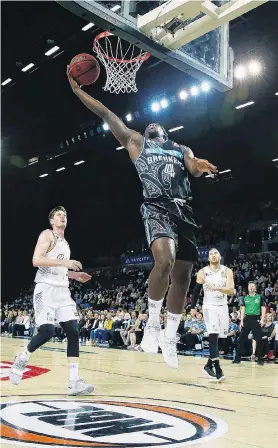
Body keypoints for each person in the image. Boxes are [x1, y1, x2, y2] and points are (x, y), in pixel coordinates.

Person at [67, 69, 217, 369]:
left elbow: (194, 167)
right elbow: (106, 113)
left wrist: (200, 167)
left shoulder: (180, 148)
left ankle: (170, 335)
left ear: (164, 131)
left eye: (155, 124)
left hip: (183, 211)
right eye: (147, 123)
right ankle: (152, 324)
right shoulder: (136, 142)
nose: (150, 123)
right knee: (165, 261)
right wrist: (77, 90)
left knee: (184, 277)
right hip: (156, 208)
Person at [9, 206, 94, 395]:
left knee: (73, 330)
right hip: (45, 289)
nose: (62, 217)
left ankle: (74, 382)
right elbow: (36, 260)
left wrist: (74, 274)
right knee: (47, 332)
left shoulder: (66, 243)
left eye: (64, 215)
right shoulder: (48, 235)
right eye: (58, 215)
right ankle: (22, 358)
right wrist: (65, 263)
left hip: (62, 291)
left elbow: (59, 269)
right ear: (52, 221)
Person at [191, 248, 234, 381]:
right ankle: (218, 370)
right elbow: (196, 291)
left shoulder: (227, 271)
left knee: (222, 339)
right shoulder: (202, 272)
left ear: (220, 256)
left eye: (216, 253)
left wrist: (216, 288)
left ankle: (208, 366)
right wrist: (193, 307)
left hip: (223, 307)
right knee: (214, 336)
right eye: (211, 254)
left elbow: (231, 291)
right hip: (209, 307)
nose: (213, 256)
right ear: (208, 258)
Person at [232, 281, 265, 365]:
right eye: (250, 286)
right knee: (241, 339)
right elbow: (242, 309)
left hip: (256, 319)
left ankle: (260, 359)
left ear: (255, 288)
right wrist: (241, 320)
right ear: (248, 288)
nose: (251, 287)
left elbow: (263, 308)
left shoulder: (259, 297)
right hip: (247, 319)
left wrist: (262, 319)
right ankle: (237, 358)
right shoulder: (245, 298)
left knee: (258, 339)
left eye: (253, 286)